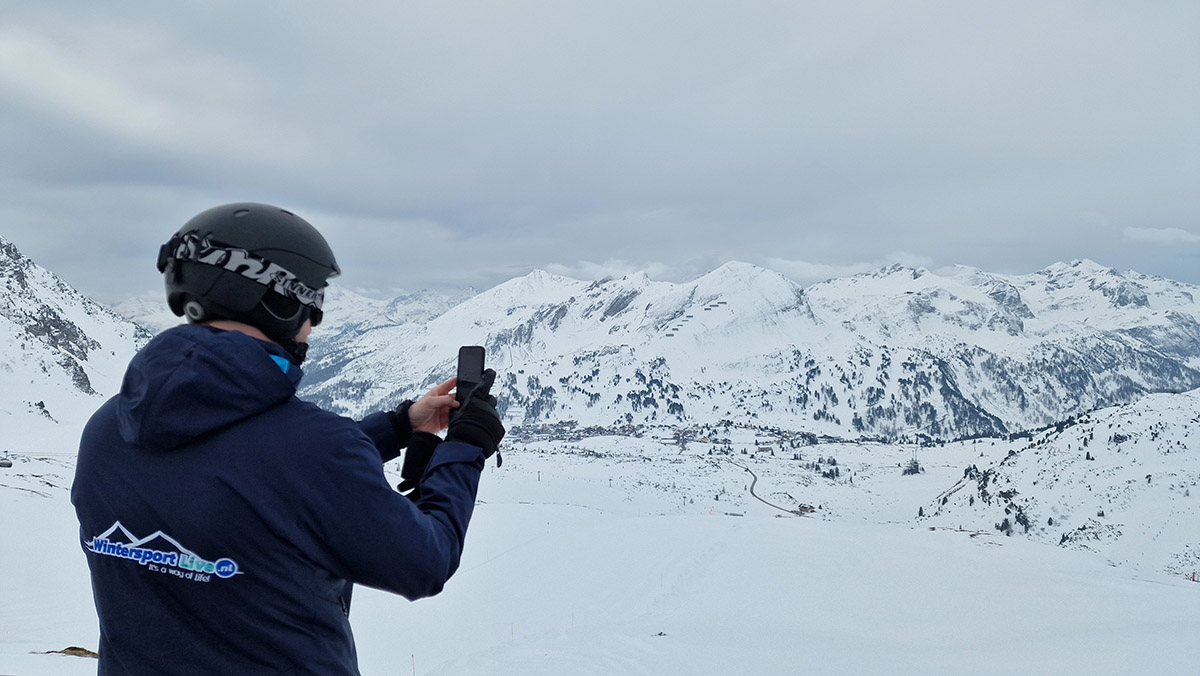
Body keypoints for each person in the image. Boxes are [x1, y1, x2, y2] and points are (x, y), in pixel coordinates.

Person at [71, 202, 504, 675]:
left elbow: (249, 471)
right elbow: (425, 562)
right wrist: (465, 447)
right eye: (313, 301)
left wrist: (399, 427)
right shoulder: (313, 449)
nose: (313, 322)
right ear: (280, 300)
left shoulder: (107, 428)